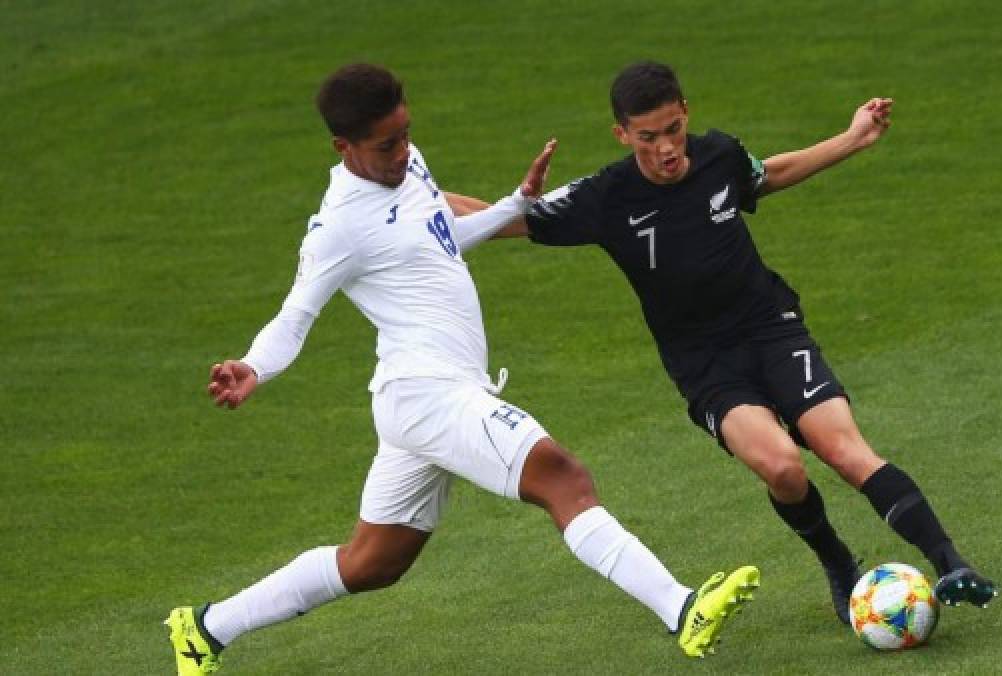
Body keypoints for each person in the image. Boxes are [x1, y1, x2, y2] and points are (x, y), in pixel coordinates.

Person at [165, 63, 760, 675]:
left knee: (372, 562)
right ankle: (681, 608)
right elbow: (296, 315)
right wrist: (253, 366)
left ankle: (204, 628)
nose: (402, 152)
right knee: (562, 476)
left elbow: (441, 236)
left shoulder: (407, 165)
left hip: (418, 402)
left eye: (405, 134)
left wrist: (515, 204)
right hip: (429, 393)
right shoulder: (338, 226)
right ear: (344, 147)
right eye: (386, 145)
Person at [516, 61, 997, 626]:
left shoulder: (719, 154)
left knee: (846, 451)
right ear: (622, 134)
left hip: (771, 328)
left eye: (673, 129)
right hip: (705, 365)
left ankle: (951, 564)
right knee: (784, 469)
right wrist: (424, 202)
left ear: (685, 112)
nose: (666, 148)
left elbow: (766, 175)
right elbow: (505, 221)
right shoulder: (606, 195)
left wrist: (852, 139)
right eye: (647, 137)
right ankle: (837, 562)